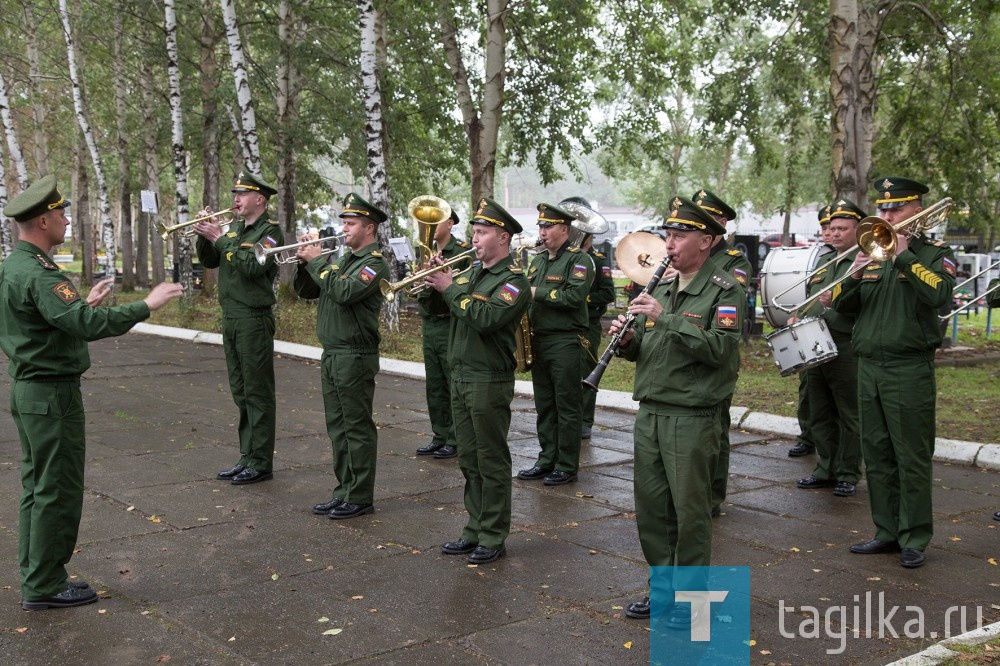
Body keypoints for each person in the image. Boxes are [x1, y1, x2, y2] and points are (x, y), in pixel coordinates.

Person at [0, 175, 183, 610]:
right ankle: (44, 584)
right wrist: (147, 305)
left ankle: (38, 572)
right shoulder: (39, 273)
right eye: (61, 214)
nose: (66, 220)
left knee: (37, 487)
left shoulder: (14, 265)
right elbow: (84, 326)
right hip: (51, 395)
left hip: (30, 391)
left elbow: (50, 322)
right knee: (56, 488)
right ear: (43, 220)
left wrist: (86, 303)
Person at [612, 197, 743, 625]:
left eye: (680, 236)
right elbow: (650, 348)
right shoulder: (662, 285)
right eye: (668, 235)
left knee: (690, 516)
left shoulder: (725, 289)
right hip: (651, 412)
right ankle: (663, 591)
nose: (669, 244)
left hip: (691, 417)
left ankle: (692, 601)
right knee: (652, 511)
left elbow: (721, 351)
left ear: (706, 240)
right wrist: (627, 341)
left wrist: (665, 319)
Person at [833, 177, 955, 569]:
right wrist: (853, 273)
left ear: (917, 210)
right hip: (869, 366)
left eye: (895, 209)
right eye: (883, 209)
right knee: (878, 453)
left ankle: (914, 536)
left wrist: (904, 256)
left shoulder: (934, 253)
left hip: (908, 368)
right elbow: (840, 308)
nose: (886, 215)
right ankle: (885, 531)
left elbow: (940, 295)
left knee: (911, 456)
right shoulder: (871, 252)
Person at [422, 197, 531, 564]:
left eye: (481, 233)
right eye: (473, 232)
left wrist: (450, 288)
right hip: (460, 375)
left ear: (502, 238)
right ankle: (474, 528)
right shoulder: (469, 273)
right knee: (469, 458)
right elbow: (436, 310)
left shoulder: (514, 282)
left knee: (490, 458)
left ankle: (494, 534)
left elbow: (485, 318)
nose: (474, 239)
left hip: (488, 378)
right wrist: (430, 282)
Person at [296, 192, 390, 520]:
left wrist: (318, 261)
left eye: (350, 224)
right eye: (344, 223)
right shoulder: (345, 261)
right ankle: (344, 490)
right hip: (334, 353)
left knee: (356, 427)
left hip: (355, 354)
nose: (344, 229)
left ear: (369, 228)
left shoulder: (374, 264)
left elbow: (343, 292)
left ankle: (360, 495)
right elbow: (307, 291)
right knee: (338, 427)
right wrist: (303, 260)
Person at [194, 170, 284, 486]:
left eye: (242, 194)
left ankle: (261, 462)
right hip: (231, 317)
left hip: (253, 319)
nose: (235, 199)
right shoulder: (233, 228)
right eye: (235, 193)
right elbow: (210, 260)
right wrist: (203, 233)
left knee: (257, 392)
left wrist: (220, 238)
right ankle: (247, 456)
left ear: (259, 199)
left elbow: (249, 266)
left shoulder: (271, 234)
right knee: (241, 391)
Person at [517, 203, 594, 485]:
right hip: (539, 340)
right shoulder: (537, 261)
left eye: (548, 226)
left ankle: (566, 465)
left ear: (564, 229)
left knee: (567, 406)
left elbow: (574, 297)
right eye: (540, 226)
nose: (542, 231)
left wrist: (537, 292)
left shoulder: (579, 260)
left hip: (565, 341)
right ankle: (547, 459)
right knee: (545, 405)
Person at [793, 198, 864, 497]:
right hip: (814, 340)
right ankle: (826, 468)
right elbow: (813, 296)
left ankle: (847, 472)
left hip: (846, 343)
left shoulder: (865, 260)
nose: (834, 234)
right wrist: (799, 313)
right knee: (819, 408)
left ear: (858, 230)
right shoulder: (825, 260)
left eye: (842, 229)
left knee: (848, 413)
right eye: (832, 228)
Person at [693, 189, 750, 516]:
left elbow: (734, 293)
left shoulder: (734, 261)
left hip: (717, 352)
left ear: (721, 223)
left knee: (715, 430)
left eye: (706, 219)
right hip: (685, 350)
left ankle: (713, 496)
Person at [415, 209, 471, 459]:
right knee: (434, 383)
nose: (430, 226)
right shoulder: (425, 251)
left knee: (452, 383)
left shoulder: (461, 252)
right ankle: (439, 435)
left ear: (450, 223)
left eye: (435, 221)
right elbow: (420, 290)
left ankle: (454, 438)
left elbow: (462, 287)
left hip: (450, 322)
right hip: (430, 323)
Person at [788, 204, 833, 458]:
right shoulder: (819, 257)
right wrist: (798, 313)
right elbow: (809, 293)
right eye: (825, 228)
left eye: (833, 228)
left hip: (835, 330)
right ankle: (807, 436)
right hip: (812, 329)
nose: (828, 233)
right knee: (808, 387)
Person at [580, 227, 616, 441]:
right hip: (568, 324)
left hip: (589, 324)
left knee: (587, 372)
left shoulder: (598, 260)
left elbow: (608, 293)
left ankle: (585, 421)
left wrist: (578, 298)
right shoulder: (569, 257)